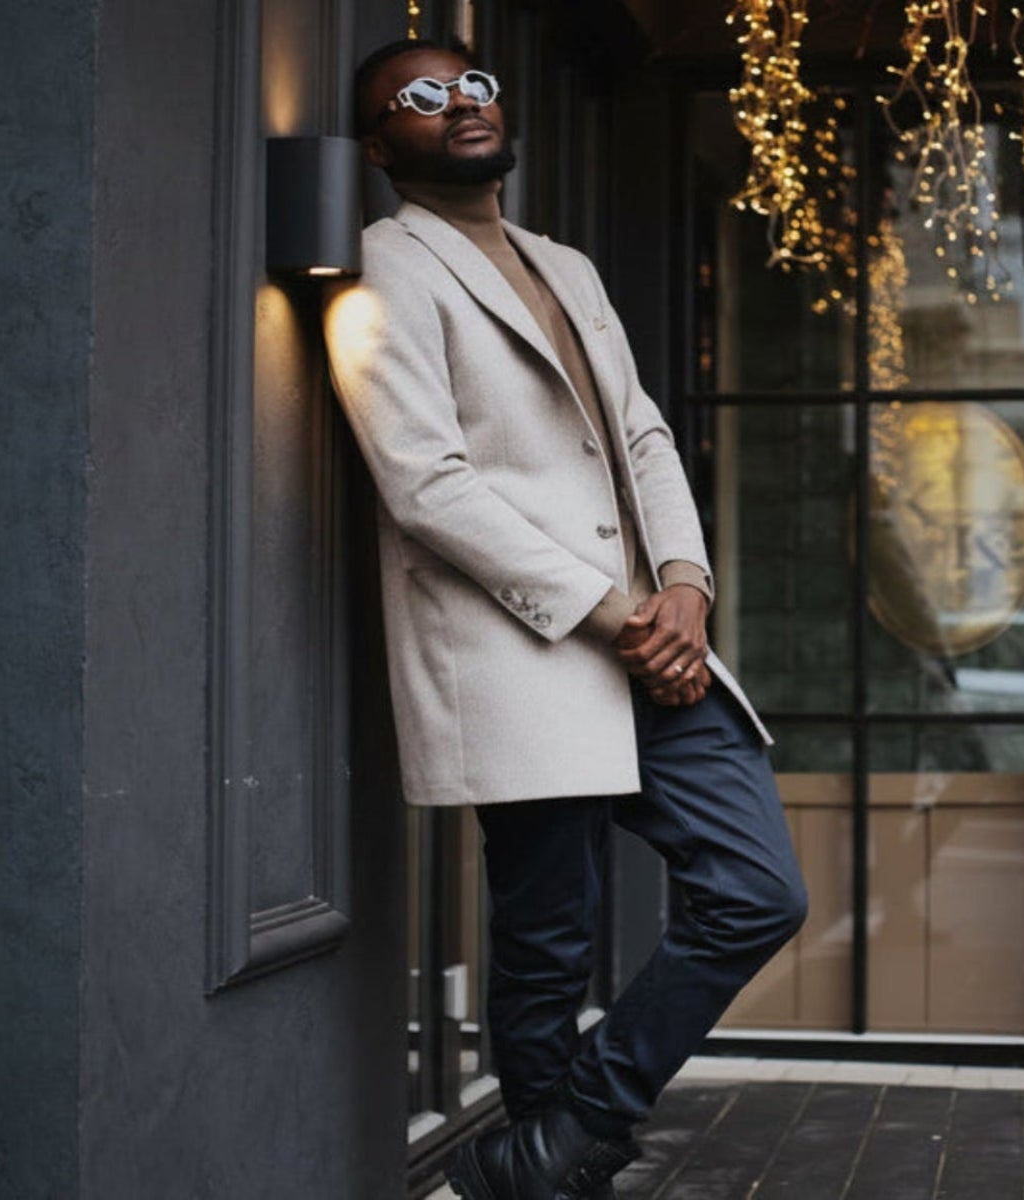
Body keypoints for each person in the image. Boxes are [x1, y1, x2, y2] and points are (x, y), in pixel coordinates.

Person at [323, 37, 810, 1200]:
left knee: (756, 889)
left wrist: (685, 584)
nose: (461, 105)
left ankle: (559, 1137)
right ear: (384, 146)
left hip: (654, 642)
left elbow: (640, 433)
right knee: (547, 946)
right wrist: (615, 615)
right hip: (527, 649)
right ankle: (555, 1172)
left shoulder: (565, 263)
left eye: (476, 83)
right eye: (422, 98)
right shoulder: (383, 269)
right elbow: (426, 482)